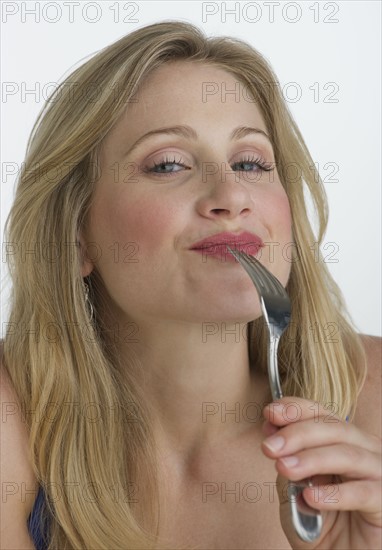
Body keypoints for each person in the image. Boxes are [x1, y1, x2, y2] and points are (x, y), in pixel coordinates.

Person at [1, 20, 380, 550]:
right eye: (169, 165)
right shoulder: (12, 414)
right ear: (78, 236)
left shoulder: (373, 398)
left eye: (250, 162)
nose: (231, 195)